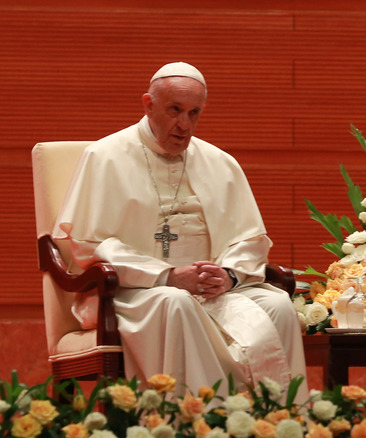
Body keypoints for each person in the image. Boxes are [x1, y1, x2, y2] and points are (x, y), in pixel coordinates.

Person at [53, 62, 307, 402]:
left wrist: (229, 275)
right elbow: (89, 246)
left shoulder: (220, 162)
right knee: (176, 303)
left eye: (194, 113)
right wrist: (168, 275)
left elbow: (250, 239)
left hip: (211, 288)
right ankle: (193, 419)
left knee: (277, 304)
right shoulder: (105, 157)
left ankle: (275, 418)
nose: (184, 125)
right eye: (175, 110)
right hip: (131, 292)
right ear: (148, 104)